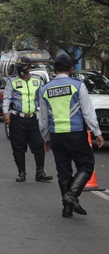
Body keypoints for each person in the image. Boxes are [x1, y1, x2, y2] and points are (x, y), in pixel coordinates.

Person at [39, 53, 104, 217]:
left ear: (54, 69)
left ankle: (67, 208)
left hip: (57, 136)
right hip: (76, 134)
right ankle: (71, 195)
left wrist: (46, 138)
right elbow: (88, 112)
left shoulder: (44, 89)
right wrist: (97, 132)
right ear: (71, 68)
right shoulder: (78, 85)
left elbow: (43, 118)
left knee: (64, 172)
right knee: (87, 165)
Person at [3, 56, 53, 182]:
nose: (20, 70)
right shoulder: (12, 80)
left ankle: (40, 172)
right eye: (18, 67)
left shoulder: (38, 80)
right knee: (18, 147)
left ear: (29, 68)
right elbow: (7, 98)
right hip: (17, 118)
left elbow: (42, 99)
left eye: (23, 67)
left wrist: (46, 115)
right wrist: (5, 113)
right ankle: (21, 172)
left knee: (38, 146)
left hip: (33, 119)